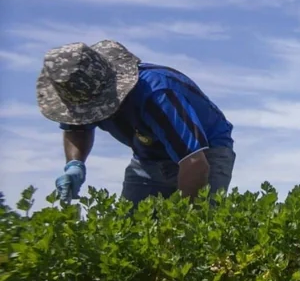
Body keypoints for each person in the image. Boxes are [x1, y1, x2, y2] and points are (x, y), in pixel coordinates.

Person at [36, 40, 236, 205]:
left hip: (205, 154)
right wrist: (74, 164)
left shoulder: (158, 93)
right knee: (130, 231)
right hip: (147, 158)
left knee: (197, 231)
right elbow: (76, 128)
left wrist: (183, 224)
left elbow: (194, 162)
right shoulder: (80, 94)